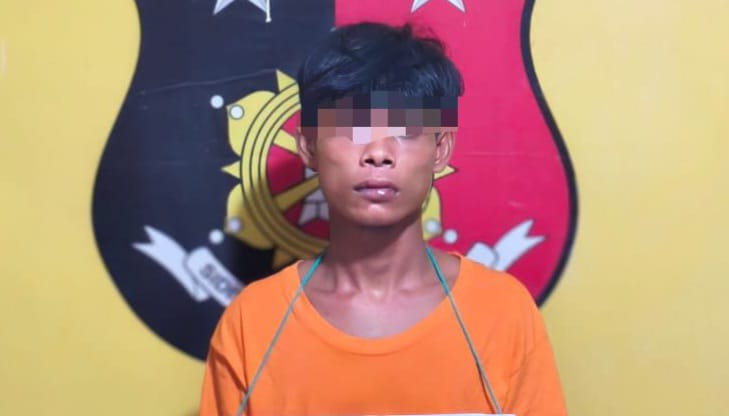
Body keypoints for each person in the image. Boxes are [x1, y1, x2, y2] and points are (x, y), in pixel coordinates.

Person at [199, 22, 566, 416]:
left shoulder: (503, 312)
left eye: (405, 131)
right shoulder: (253, 321)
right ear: (308, 146)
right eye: (351, 128)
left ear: (441, 149)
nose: (378, 153)